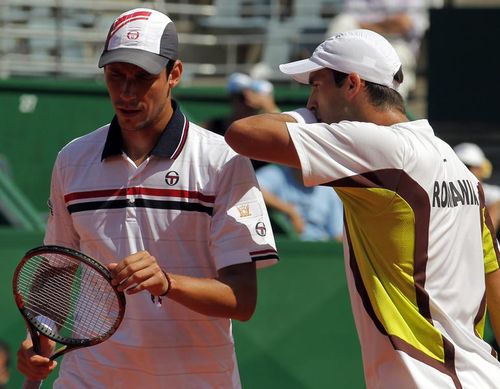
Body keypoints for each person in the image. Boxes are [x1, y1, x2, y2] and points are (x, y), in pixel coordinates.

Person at [16, 8, 278, 388]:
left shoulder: (223, 160)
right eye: (116, 76)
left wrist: (167, 282)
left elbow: (242, 300)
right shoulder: (72, 160)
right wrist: (39, 333)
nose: (126, 92)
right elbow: (56, 269)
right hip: (89, 379)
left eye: (142, 78)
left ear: (174, 74)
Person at [225, 29, 500, 387]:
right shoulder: (457, 166)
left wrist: (313, 120)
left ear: (352, 84)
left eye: (317, 85)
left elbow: (243, 133)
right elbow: (493, 276)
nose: (310, 101)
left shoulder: (379, 147)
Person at [326, 0, 443, 100]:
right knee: (341, 22)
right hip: (363, 44)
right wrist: (387, 25)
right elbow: (347, 20)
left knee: (391, 89)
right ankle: (327, 80)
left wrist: (363, 26)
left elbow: (404, 24)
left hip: (397, 47)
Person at [256, 164, 343, 241]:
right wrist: (290, 210)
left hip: (319, 249)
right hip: (284, 246)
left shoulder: (329, 189)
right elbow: (253, 189)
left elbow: (338, 233)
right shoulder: (278, 173)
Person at [454, 142, 500, 232]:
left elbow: (488, 231)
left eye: (468, 166)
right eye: (460, 165)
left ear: (481, 169)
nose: (464, 170)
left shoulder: (494, 195)